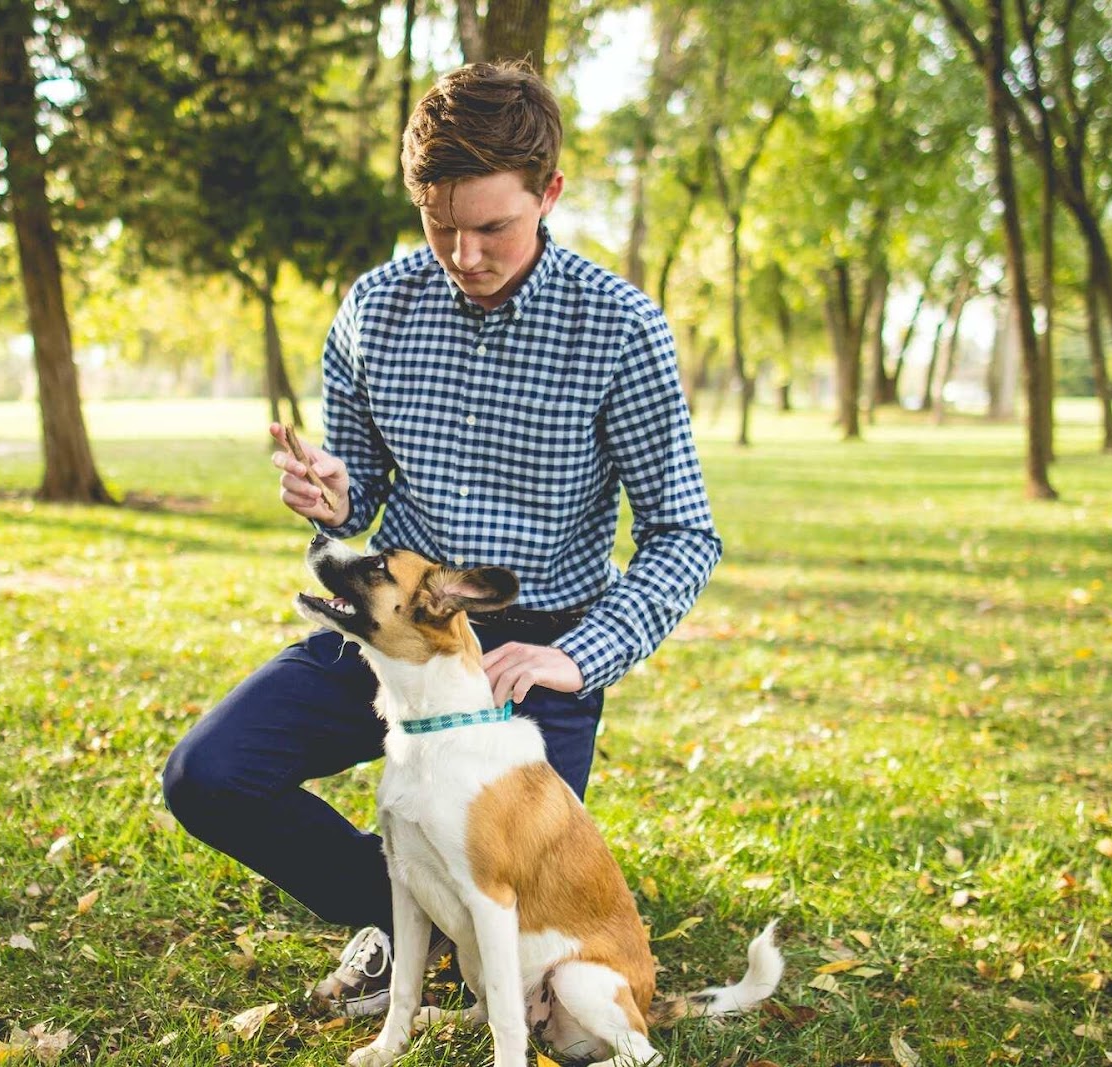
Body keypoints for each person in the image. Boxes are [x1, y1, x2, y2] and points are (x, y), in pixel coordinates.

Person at [161, 60, 720, 1017]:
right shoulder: (375, 311)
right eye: (440, 224)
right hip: (395, 629)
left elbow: (682, 534)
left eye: (492, 226)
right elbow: (362, 497)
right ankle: (392, 906)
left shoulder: (621, 328)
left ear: (548, 194)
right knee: (208, 774)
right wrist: (333, 497)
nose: (462, 252)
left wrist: (574, 655)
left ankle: (446, 917)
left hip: (530, 655)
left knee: (500, 959)